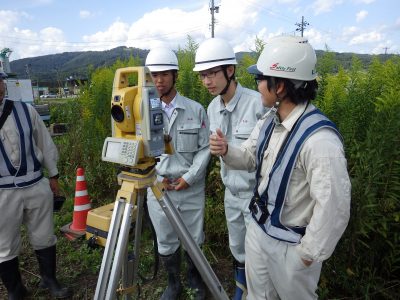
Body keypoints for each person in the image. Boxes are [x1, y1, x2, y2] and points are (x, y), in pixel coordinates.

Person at [209, 36, 351, 299]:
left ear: (281, 86)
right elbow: (249, 157)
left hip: (292, 248)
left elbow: (334, 206)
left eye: (261, 79)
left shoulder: (320, 140)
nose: (258, 85)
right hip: (259, 232)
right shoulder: (268, 120)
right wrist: (227, 151)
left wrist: (306, 255)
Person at [193, 37, 265, 299]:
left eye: (212, 73)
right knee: (237, 248)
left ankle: (256, 293)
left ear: (230, 70)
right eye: (203, 75)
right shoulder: (212, 108)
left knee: (260, 253)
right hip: (231, 194)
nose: (207, 81)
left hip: (257, 197)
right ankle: (240, 289)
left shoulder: (258, 103)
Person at [145, 47, 210, 300]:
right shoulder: (144, 113)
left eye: (163, 74)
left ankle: (195, 279)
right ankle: (173, 283)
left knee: (194, 238)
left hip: (190, 187)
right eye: (153, 76)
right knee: (165, 239)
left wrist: (190, 177)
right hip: (159, 187)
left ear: (175, 76)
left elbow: (205, 149)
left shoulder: (196, 110)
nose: (158, 81)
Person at [0, 71, 72, 299]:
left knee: (44, 235)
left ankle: (49, 279)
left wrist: (53, 176)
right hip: (2, 192)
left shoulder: (25, 110)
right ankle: (15, 290)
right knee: (4, 244)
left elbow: (45, 142)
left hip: (34, 183)